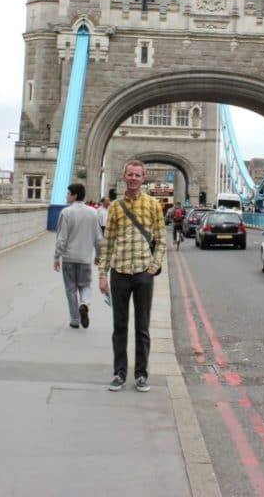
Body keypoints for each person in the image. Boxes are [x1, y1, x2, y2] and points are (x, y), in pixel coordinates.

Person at [98, 160, 165, 393]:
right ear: (124, 176)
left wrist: (153, 266)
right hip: (119, 272)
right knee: (119, 326)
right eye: (130, 174)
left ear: (143, 178)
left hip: (143, 273)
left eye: (138, 175)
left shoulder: (154, 205)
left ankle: (141, 375)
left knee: (142, 327)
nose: (134, 178)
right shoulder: (115, 206)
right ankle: (119, 373)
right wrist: (102, 275)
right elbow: (107, 242)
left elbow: (162, 239)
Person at [54, 182, 103, 328]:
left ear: (74, 195)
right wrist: (98, 255)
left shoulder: (66, 212)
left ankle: (75, 319)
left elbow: (61, 238)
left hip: (69, 258)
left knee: (70, 289)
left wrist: (57, 257)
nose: (66, 196)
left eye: (68, 193)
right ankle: (84, 304)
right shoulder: (93, 213)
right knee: (85, 285)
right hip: (85, 257)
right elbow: (99, 238)